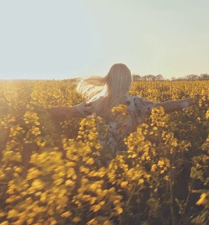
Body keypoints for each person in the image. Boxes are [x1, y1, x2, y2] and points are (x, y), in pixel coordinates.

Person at [48, 63, 195, 158]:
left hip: (100, 159)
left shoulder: (96, 103)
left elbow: (67, 111)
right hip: (127, 160)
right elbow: (162, 108)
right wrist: (191, 101)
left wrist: (42, 111)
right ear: (128, 82)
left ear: (109, 80)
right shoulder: (134, 103)